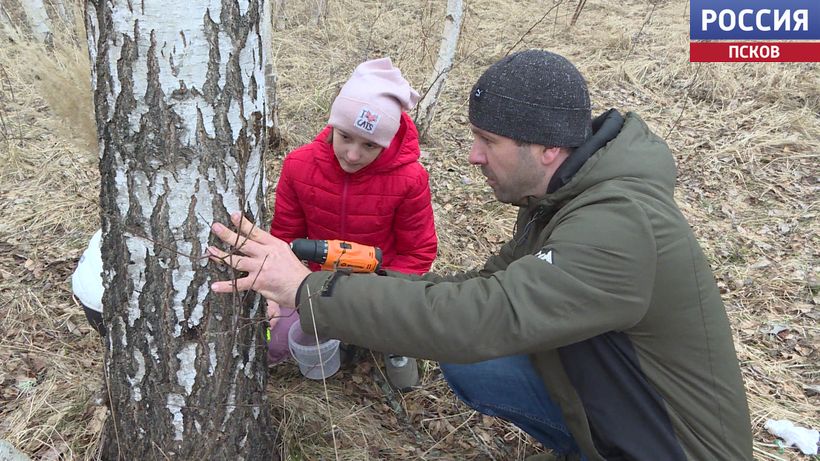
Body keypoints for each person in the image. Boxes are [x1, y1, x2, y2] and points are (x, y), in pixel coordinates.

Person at [208, 50, 753, 460]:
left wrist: (307, 291)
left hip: (677, 448)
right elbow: (473, 289)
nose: (472, 157)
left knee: (473, 345)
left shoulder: (617, 226)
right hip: (618, 397)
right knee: (476, 365)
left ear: (546, 148)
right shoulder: (563, 194)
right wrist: (345, 288)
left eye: (486, 140)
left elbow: (482, 316)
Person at [264, 57, 438, 379]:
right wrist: (276, 293)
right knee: (272, 344)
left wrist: (376, 292)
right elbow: (285, 239)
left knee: (397, 351)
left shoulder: (410, 179)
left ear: (387, 141)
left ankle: (380, 345)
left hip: (375, 288)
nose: (353, 155)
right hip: (310, 283)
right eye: (345, 137)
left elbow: (418, 252)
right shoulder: (298, 166)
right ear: (332, 127)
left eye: (370, 145)